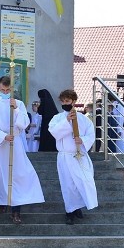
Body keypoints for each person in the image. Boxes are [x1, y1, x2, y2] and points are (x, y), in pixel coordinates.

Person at [0, 76, 45, 223]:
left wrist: (17, 109)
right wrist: (3, 136)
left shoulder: (18, 104)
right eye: (3, 90)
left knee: (17, 174)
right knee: (0, 173)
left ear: (12, 89)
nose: (5, 92)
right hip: (1, 143)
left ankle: (16, 209)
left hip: (16, 142)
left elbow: (24, 123)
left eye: (8, 90)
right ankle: (1, 201)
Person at [48, 89, 98, 225]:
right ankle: (70, 211)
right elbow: (54, 132)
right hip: (65, 155)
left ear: (74, 102)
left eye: (68, 101)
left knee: (84, 181)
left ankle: (78, 206)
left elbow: (90, 134)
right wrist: (66, 121)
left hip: (79, 154)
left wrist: (82, 140)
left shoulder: (83, 119)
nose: (65, 103)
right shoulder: (57, 118)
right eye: (63, 101)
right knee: (68, 184)